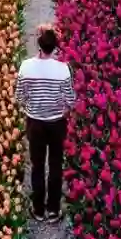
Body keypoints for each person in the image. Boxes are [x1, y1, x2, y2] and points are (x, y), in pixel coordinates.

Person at [14, 23, 75, 223]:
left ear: (39, 45)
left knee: (38, 165)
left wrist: (29, 107)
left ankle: (38, 209)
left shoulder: (26, 67)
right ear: (56, 47)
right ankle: (53, 210)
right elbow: (71, 100)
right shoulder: (63, 70)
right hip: (57, 124)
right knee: (56, 165)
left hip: (35, 123)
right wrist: (64, 111)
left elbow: (19, 97)